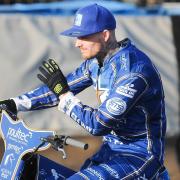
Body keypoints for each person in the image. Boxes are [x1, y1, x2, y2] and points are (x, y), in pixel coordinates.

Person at [0, 3, 170, 179]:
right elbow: (57, 90)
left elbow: (99, 124)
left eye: (84, 37)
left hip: (139, 156)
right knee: (34, 171)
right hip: (109, 150)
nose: (77, 43)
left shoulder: (134, 71)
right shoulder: (96, 63)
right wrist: (14, 103)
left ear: (105, 35)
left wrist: (65, 96)